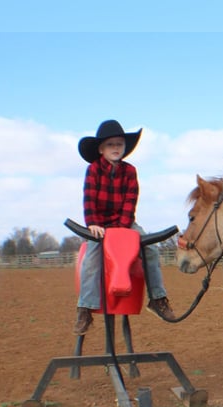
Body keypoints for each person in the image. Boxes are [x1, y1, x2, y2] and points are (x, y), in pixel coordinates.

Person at [73, 119, 175, 335]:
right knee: (92, 257)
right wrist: (93, 223)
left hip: (125, 222)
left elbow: (130, 202)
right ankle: (85, 307)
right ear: (101, 149)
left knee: (150, 249)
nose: (116, 148)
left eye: (119, 144)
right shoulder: (92, 170)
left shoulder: (130, 172)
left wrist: (121, 229)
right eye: (111, 144)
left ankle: (158, 298)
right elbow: (89, 198)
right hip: (99, 224)